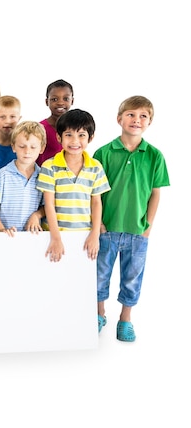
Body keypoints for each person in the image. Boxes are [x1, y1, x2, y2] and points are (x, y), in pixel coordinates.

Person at [93, 95, 170, 342]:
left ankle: (125, 319)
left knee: (132, 277)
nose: (136, 120)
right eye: (131, 115)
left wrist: (147, 225)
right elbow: (94, 192)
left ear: (149, 122)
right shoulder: (103, 152)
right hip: (107, 229)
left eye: (143, 116)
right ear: (119, 119)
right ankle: (99, 314)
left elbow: (156, 193)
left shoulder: (154, 156)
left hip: (138, 231)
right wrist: (99, 225)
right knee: (99, 275)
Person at [36, 109, 110, 263]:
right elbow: (49, 204)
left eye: (81, 135)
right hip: (53, 234)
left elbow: (96, 202)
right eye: (69, 135)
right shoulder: (49, 166)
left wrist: (95, 234)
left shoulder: (95, 167)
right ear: (59, 137)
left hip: (85, 236)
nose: (75, 141)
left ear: (91, 137)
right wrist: (55, 237)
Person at [0, 121, 47, 235]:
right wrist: (0, 229)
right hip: (5, 236)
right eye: (22, 146)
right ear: (13, 147)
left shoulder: (43, 176)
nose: (27, 151)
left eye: (33, 147)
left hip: (32, 237)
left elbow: (46, 205)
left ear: (41, 149)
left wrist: (36, 215)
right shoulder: (3, 175)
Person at [37, 79, 74, 166]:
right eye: (54, 99)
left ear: (72, 101)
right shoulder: (39, 128)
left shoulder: (76, 129)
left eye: (66, 99)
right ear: (47, 102)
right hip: (44, 176)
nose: (60, 103)